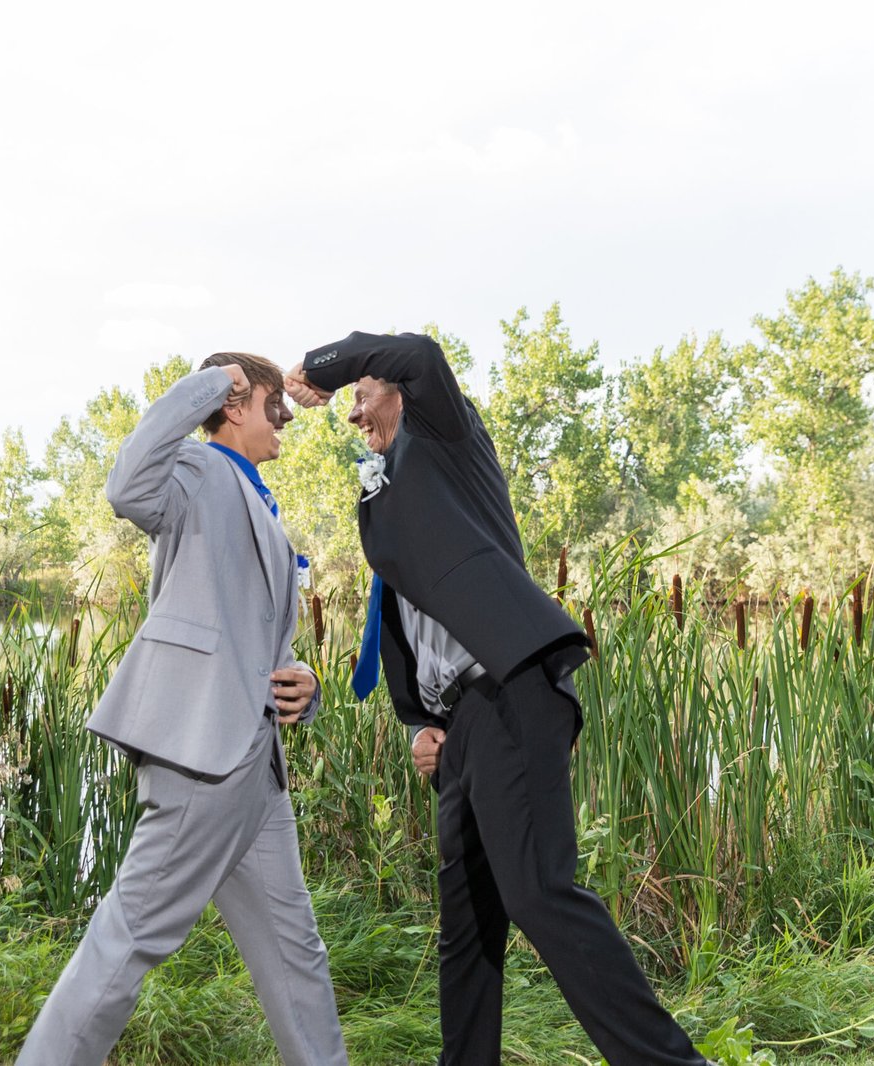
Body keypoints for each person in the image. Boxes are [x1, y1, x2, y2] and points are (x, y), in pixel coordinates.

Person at [285, 332, 707, 1066]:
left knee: (539, 893)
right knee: (468, 925)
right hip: (462, 725)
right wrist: (420, 722)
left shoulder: (444, 437)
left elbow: (418, 352)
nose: (353, 415)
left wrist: (326, 367)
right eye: (350, 400)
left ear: (400, 394)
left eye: (363, 395)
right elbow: (410, 617)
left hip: (512, 692)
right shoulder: (386, 493)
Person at [16, 353, 348, 1066]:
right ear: (235, 405)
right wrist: (214, 380)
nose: (285, 422)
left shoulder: (261, 502)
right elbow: (127, 485)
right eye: (274, 406)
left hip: (256, 769)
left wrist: (304, 682)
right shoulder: (197, 472)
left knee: (295, 951)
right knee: (130, 936)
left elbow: (257, 638)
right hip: (203, 756)